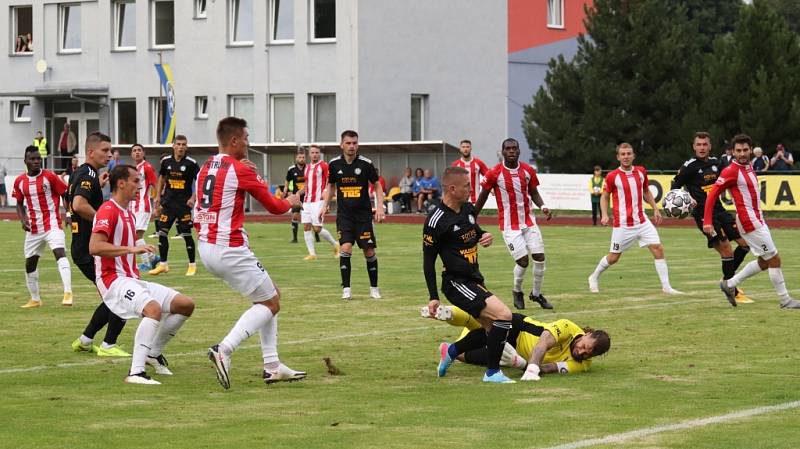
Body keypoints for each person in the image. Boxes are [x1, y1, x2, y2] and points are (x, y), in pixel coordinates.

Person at [199, 117, 306, 390]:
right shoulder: (239, 170)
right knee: (270, 303)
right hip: (229, 247)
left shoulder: (207, 166)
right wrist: (291, 201)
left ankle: (272, 366)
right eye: (246, 137)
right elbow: (274, 206)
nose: (248, 141)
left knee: (271, 296)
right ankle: (224, 349)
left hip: (207, 246)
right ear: (234, 140)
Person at [90, 164, 195, 385]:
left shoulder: (128, 212)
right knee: (153, 309)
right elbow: (95, 247)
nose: (141, 186)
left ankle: (152, 353)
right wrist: (131, 249)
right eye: (136, 181)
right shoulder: (108, 210)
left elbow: (130, 243)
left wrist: (143, 250)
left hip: (132, 278)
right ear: (121, 183)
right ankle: (136, 372)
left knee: (185, 304)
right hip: (113, 280)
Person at [423, 166, 515, 383]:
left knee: (492, 328)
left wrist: (485, 237)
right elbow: (428, 262)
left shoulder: (467, 209)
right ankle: (492, 373)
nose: (471, 189)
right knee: (504, 316)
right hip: (456, 282)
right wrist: (433, 296)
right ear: (452, 189)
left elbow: (475, 232)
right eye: (467, 186)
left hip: (474, 279)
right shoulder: (436, 221)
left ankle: (452, 351)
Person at [704, 134, 800, 309]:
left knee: (765, 261)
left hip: (757, 219)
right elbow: (712, 194)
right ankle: (785, 300)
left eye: (745, 150)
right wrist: (708, 220)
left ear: (750, 150)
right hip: (750, 222)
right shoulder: (731, 171)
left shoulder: (748, 166)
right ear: (732, 152)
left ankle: (729, 284)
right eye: (738, 151)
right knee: (774, 259)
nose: (742, 153)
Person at [588, 143, 682, 295]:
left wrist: (656, 209)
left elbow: (646, 191)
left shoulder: (641, 171)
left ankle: (666, 287)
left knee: (658, 248)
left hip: (642, 220)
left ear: (633, 155)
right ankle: (594, 277)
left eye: (628, 153)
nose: (626, 157)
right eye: (623, 154)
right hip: (623, 224)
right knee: (613, 258)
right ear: (618, 157)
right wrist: (604, 214)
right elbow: (605, 197)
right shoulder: (612, 176)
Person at [68, 132, 131, 357]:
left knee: (114, 293)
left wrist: (98, 185)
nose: (110, 154)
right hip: (90, 248)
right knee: (121, 291)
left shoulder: (84, 173)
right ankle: (108, 344)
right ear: (91, 151)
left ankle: (86, 340)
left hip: (82, 247)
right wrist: (103, 223)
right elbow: (78, 204)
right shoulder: (88, 173)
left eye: (110, 150)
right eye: (105, 150)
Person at [672, 132, 752, 304]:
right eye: (698, 144)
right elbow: (674, 187)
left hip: (720, 210)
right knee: (726, 249)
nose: (702, 147)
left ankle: (727, 282)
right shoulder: (689, 167)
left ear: (710, 146)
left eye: (705, 144)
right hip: (703, 215)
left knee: (746, 244)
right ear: (694, 147)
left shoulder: (717, 163)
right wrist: (687, 199)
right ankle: (733, 289)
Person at [475, 138, 553, 311]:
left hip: (529, 222)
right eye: (508, 148)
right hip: (510, 226)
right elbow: (483, 195)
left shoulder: (528, 170)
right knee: (523, 261)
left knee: (539, 258)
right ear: (502, 152)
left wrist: (543, 206)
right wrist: (473, 215)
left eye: (514, 148)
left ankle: (536, 294)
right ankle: (517, 291)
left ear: (519, 151)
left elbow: (533, 192)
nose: (511, 151)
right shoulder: (494, 173)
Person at [425, 305, 610, 378]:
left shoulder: (583, 364)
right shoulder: (568, 327)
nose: (582, 352)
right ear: (587, 335)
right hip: (521, 329)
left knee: (465, 357)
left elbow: (549, 368)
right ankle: (447, 313)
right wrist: (531, 369)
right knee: (484, 323)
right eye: (585, 346)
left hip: (515, 354)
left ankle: (449, 350)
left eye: (589, 354)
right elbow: (542, 344)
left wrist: (520, 364)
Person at [323, 130, 384, 300]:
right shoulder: (334, 164)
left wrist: (380, 207)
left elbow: (377, 186)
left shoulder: (366, 164)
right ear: (342, 144)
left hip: (363, 217)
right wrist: (324, 205)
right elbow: (331, 186)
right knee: (345, 247)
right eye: (348, 143)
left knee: (369, 251)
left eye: (354, 143)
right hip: (344, 216)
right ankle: (346, 289)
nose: (352, 146)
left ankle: (374, 288)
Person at [14, 146, 73, 308]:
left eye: (38, 158)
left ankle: (68, 293)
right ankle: (35, 299)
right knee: (30, 264)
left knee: (60, 253)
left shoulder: (49, 176)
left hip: (52, 224)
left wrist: (68, 214)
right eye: (32, 159)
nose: (36, 161)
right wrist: (23, 219)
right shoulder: (20, 181)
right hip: (33, 228)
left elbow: (65, 194)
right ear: (25, 161)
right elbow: (19, 204)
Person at [149, 135, 199, 276]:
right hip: (168, 204)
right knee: (162, 233)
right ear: (173, 146)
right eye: (178, 144)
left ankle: (192, 265)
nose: (181, 147)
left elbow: (200, 181)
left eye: (184, 144)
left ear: (186, 147)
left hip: (184, 205)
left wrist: (193, 197)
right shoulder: (166, 162)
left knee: (186, 234)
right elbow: (161, 178)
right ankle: (163, 265)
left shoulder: (191, 163)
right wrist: (158, 196)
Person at [299, 145, 339, 260]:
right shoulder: (306, 167)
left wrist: (326, 192)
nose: (315, 154)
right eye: (312, 152)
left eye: (317, 152)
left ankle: (335, 244)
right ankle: (312, 254)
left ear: (319, 154)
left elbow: (330, 182)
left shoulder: (324, 166)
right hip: (306, 201)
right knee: (306, 226)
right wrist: (298, 194)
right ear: (309, 154)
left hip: (318, 201)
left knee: (317, 228)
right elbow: (306, 185)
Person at [130, 144, 158, 269]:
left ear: (143, 153)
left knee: (136, 236)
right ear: (131, 154)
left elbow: (155, 184)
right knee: (133, 235)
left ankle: (147, 262)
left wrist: (157, 204)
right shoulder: (134, 168)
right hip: (133, 206)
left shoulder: (146, 167)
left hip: (142, 205)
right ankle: (153, 258)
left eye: (139, 150)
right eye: (134, 151)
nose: (137, 152)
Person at [451, 139, 489, 204]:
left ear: (471, 148)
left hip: (476, 201)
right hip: (460, 200)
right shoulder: (455, 165)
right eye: (463, 147)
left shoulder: (478, 163)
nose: (465, 149)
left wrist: (490, 189)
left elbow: (488, 176)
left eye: (467, 147)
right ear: (460, 149)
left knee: (473, 214)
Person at [284, 151, 307, 244]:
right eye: (299, 157)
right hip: (296, 198)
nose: (301, 159)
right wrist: (287, 190)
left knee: (310, 218)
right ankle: (295, 238)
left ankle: (317, 237)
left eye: (303, 157)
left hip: (307, 197)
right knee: (295, 216)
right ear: (296, 158)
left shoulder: (309, 168)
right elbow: (287, 181)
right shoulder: (291, 169)